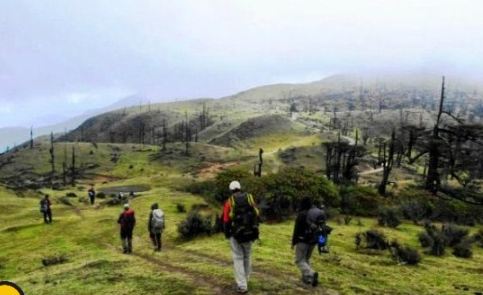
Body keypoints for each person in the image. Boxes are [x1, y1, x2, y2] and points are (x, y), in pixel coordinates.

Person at [222, 180, 259, 294]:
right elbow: (256, 213)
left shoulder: (230, 201)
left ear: (231, 190)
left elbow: (226, 219)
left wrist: (227, 233)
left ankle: (242, 286)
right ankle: (246, 280)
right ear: (240, 188)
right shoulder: (249, 197)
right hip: (250, 232)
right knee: (247, 256)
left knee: (238, 258)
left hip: (236, 234)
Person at [291, 197, 327, 287]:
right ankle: (307, 280)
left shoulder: (302, 214)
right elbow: (322, 229)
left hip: (302, 240)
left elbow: (297, 229)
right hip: (313, 241)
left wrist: (293, 242)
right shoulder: (317, 213)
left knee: (299, 260)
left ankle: (311, 273)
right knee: (306, 259)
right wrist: (322, 242)